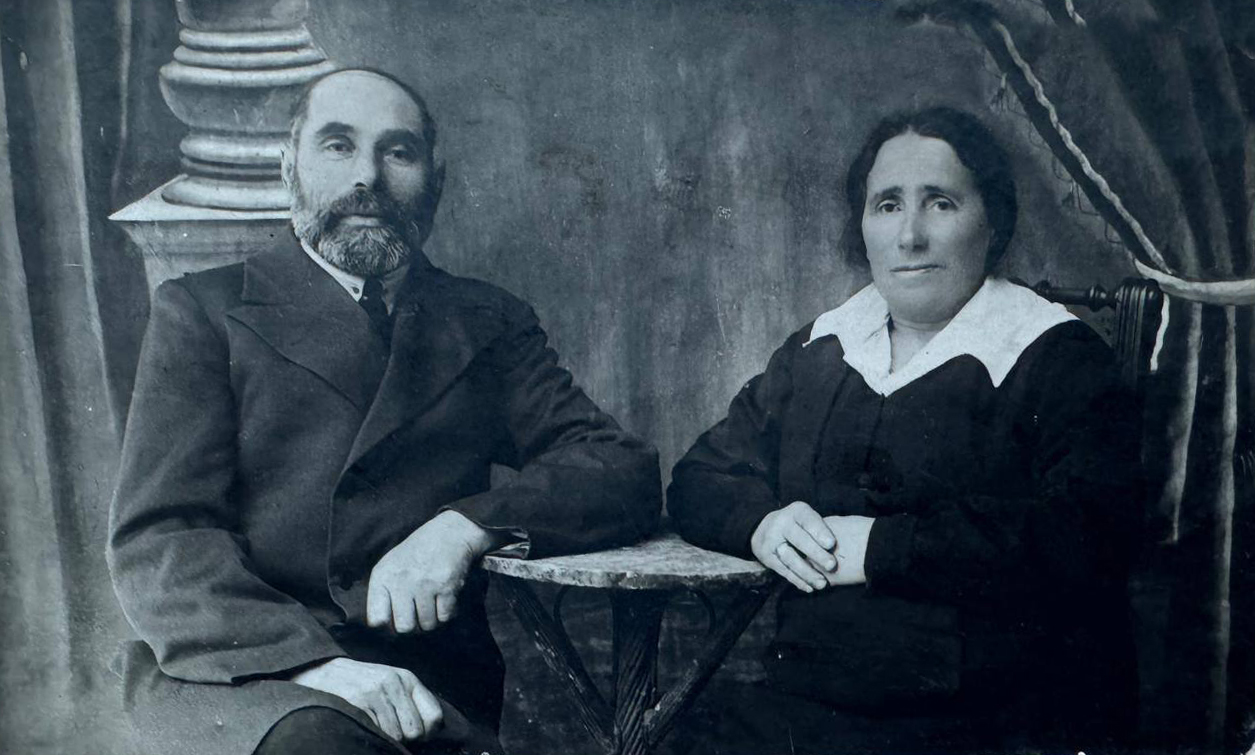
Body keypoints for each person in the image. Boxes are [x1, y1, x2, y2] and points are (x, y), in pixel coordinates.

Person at [107, 67, 661, 755]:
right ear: (289, 168)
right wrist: (312, 664)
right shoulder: (203, 311)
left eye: (398, 151)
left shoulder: (485, 321)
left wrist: (464, 527)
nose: (367, 176)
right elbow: (162, 536)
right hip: (245, 670)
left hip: (424, 681)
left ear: (436, 180)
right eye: (338, 145)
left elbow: (618, 465)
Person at [668, 107, 1141, 754]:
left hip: (994, 722)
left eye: (940, 203)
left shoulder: (1056, 357)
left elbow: (1087, 534)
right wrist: (762, 524)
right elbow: (700, 476)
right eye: (887, 205)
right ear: (862, 226)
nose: (910, 236)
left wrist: (879, 546)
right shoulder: (822, 349)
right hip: (808, 709)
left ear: (993, 222)